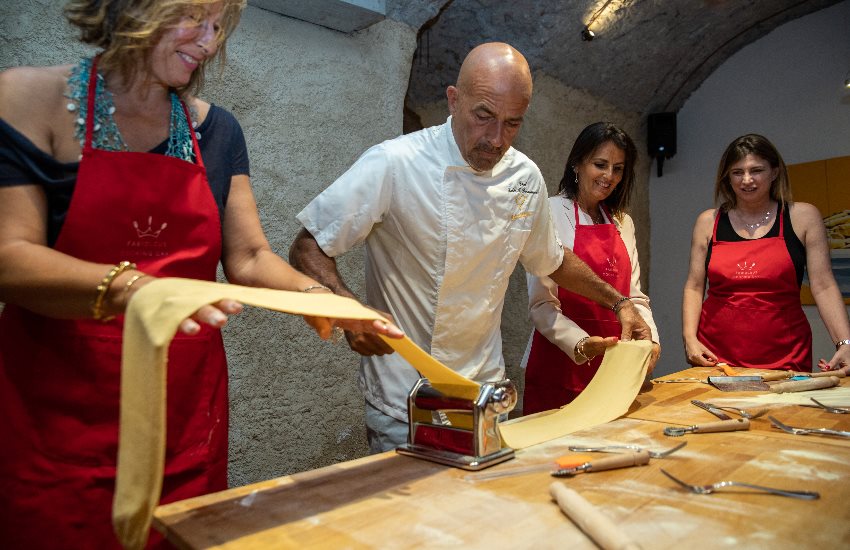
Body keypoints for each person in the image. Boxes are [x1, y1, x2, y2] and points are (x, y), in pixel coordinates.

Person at [0, 1, 400, 547]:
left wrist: (327, 301)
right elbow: (11, 255)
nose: (208, 42)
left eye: (218, 27)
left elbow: (249, 257)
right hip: (55, 413)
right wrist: (138, 289)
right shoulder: (26, 99)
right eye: (194, 19)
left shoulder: (217, 131)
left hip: (181, 414)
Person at [289, 42, 652, 453]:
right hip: (405, 398)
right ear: (454, 99)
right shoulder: (395, 162)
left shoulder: (524, 176)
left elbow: (551, 260)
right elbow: (309, 245)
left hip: (485, 395)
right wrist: (347, 307)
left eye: (512, 123)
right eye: (484, 116)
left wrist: (620, 303)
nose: (496, 139)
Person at [521, 122, 660, 415]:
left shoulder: (624, 222)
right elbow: (542, 305)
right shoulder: (550, 212)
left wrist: (650, 338)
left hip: (614, 367)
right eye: (600, 164)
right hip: (561, 364)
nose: (609, 176)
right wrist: (583, 344)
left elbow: (634, 296)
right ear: (577, 163)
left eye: (618, 169)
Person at [682, 134, 850, 372]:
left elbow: (823, 285)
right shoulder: (708, 222)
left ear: (774, 171)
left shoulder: (803, 217)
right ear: (727, 178)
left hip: (786, 354)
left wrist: (845, 343)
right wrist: (690, 340)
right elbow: (694, 286)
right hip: (715, 355)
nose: (747, 180)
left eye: (756, 170)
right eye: (737, 172)